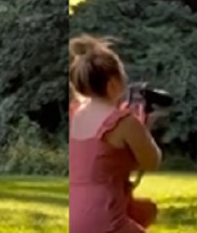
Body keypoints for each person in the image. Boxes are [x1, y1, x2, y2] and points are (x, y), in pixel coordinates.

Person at [69, 34, 162, 233]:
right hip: (105, 220)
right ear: (113, 84)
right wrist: (144, 130)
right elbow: (151, 162)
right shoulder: (123, 122)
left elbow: (102, 160)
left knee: (146, 211)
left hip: (75, 218)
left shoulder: (73, 116)